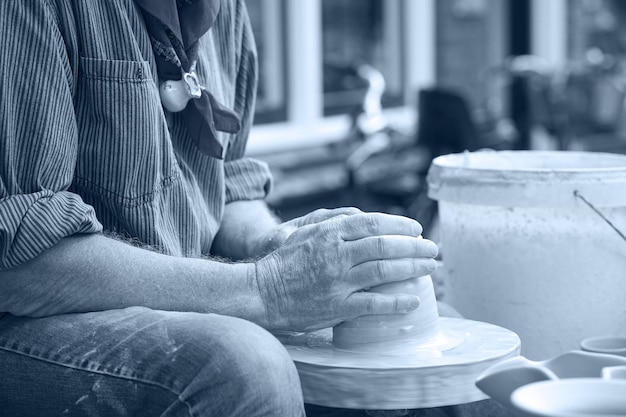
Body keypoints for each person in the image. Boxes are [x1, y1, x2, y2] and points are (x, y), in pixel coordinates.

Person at [0, 1, 440, 415]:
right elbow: (21, 262)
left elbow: (225, 179)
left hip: (176, 293)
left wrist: (277, 246)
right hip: (25, 315)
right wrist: (267, 288)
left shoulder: (224, 9)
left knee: (412, 332)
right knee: (244, 366)